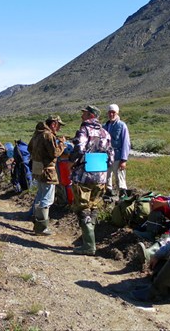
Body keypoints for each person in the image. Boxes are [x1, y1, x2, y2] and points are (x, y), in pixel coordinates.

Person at [69, 105, 114, 256]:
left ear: (90, 115)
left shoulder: (84, 131)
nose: (82, 116)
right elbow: (111, 155)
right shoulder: (105, 132)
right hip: (100, 176)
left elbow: (79, 149)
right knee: (94, 206)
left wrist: (72, 163)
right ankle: (89, 242)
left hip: (83, 175)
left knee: (82, 207)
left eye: (84, 113)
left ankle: (89, 245)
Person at [27, 115, 66, 236]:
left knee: (40, 194)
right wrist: (62, 144)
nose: (59, 128)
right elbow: (55, 153)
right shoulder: (48, 135)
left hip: (37, 169)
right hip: (47, 171)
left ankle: (36, 221)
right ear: (54, 124)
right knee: (47, 198)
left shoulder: (37, 133)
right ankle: (41, 228)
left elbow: (29, 148)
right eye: (58, 125)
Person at [103, 104, 131, 198]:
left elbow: (126, 143)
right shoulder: (105, 126)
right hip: (106, 157)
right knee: (107, 176)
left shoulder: (122, 125)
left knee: (120, 177)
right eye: (109, 112)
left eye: (113, 112)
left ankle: (123, 197)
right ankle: (108, 193)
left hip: (118, 156)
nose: (111, 114)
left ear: (117, 113)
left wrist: (124, 160)